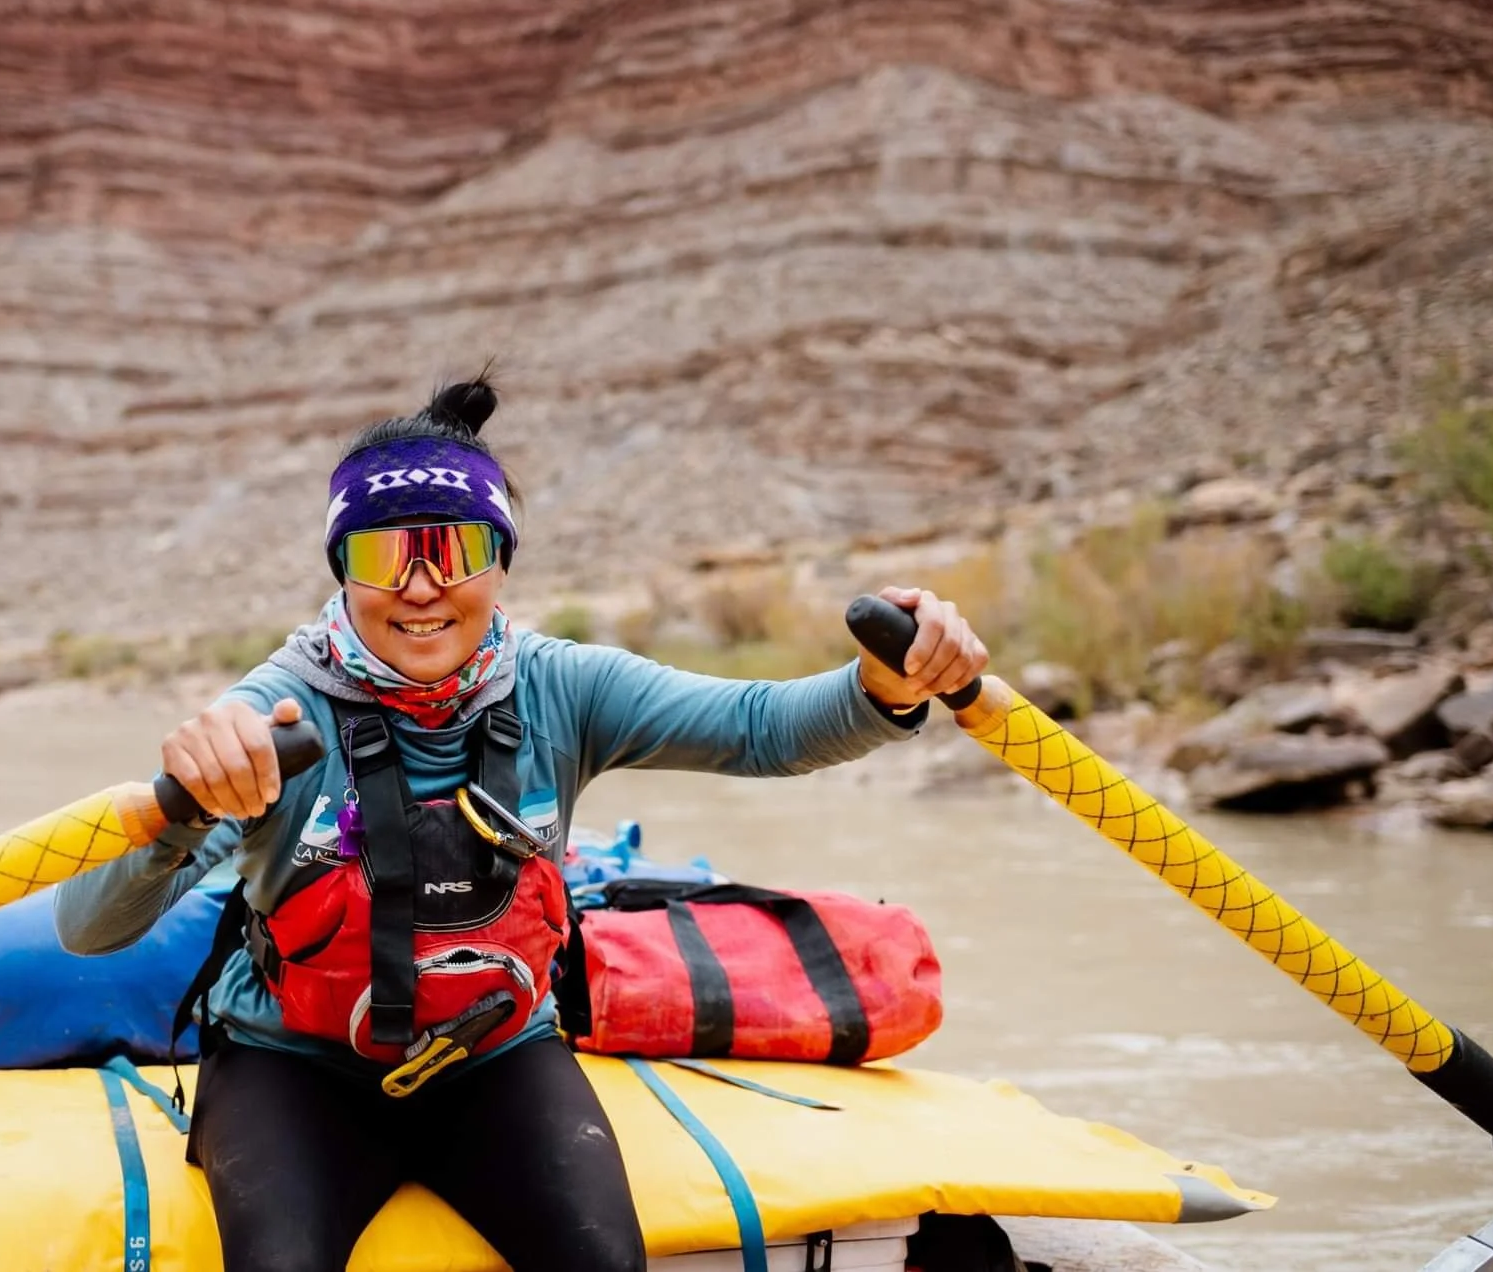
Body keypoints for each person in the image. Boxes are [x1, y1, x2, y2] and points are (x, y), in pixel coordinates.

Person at [55, 372, 988, 1272]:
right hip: (292, 1067)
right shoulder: (275, 718)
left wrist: (883, 688)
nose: (422, 588)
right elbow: (88, 927)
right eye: (386, 555)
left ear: (500, 562)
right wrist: (180, 808)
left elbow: (759, 729)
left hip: (498, 1056)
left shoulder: (561, 688)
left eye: (455, 549)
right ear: (342, 570)